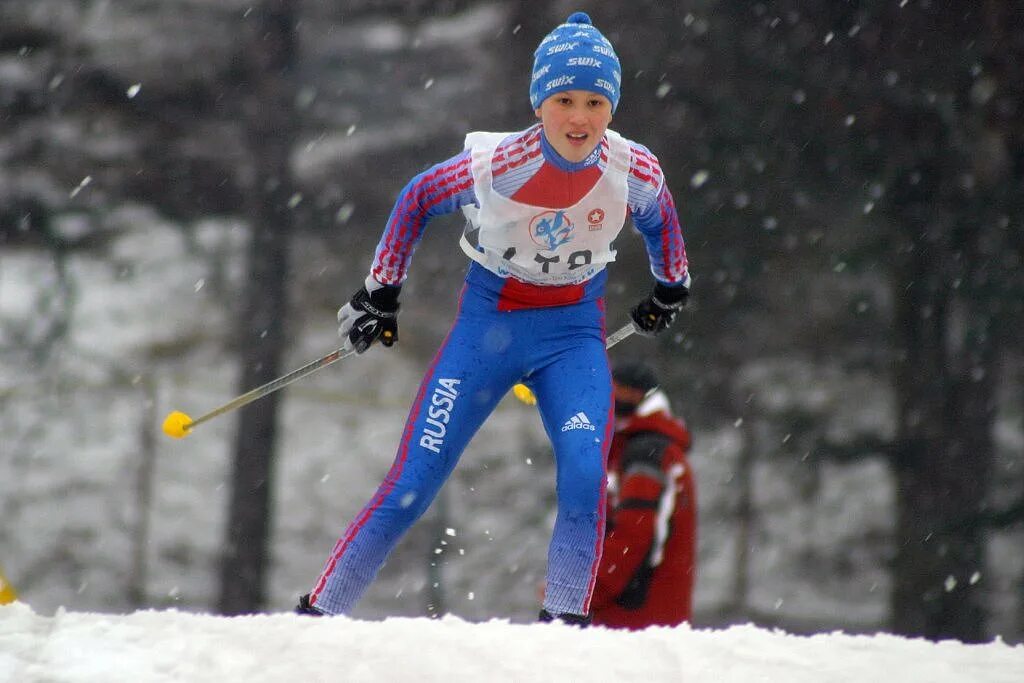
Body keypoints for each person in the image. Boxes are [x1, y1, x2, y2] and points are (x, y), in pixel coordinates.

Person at [298, 11, 691, 624]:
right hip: (489, 329)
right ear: (539, 105)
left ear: (612, 109)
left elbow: (661, 219)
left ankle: (563, 624)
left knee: (587, 478)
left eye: (595, 102)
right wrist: (381, 293)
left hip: (573, 336)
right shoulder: (499, 165)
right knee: (415, 480)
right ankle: (320, 612)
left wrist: (671, 287)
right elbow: (417, 199)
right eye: (564, 100)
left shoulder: (633, 170)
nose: (580, 118)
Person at [589, 361, 697, 630]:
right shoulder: (658, 448)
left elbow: (633, 536)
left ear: (636, 396)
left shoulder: (644, 454)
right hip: (658, 618)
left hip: (633, 621)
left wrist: (584, 593)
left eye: (615, 390)